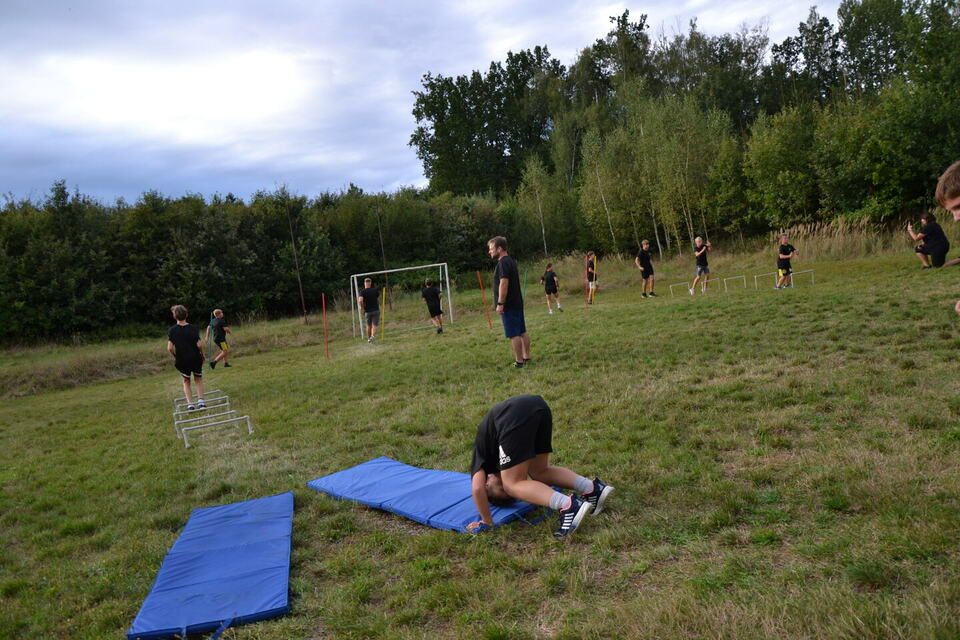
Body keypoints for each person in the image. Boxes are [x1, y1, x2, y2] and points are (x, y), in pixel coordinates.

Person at [467, 395, 614, 538]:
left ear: (486, 484)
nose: (502, 485)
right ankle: (592, 488)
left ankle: (568, 505)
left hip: (512, 415)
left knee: (512, 484)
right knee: (540, 472)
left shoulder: (481, 459)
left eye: (500, 488)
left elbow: (477, 489)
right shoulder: (493, 455)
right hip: (537, 405)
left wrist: (487, 521)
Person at [488, 236, 530, 368]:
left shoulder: (502, 263)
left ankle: (519, 362)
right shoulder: (510, 261)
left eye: (491, 248)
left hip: (509, 305)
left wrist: (500, 303)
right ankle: (526, 357)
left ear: (499, 249)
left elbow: (504, 283)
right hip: (516, 302)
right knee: (522, 331)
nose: (489, 251)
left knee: (513, 334)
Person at [167, 305, 205, 411]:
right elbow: (199, 345)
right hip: (195, 357)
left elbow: (169, 348)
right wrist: (202, 354)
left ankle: (190, 404)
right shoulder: (193, 328)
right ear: (187, 315)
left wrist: (176, 356)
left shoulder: (172, 330)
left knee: (186, 381)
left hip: (182, 360)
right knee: (198, 379)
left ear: (174, 316)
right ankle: (201, 403)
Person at [358, 277, 380, 343]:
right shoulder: (375, 290)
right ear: (370, 283)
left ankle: (369, 339)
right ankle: (372, 336)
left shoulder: (362, 291)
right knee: (374, 325)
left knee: (368, 326)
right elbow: (378, 299)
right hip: (376, 310)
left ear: (364, 283)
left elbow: (360, 301)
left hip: (367, 311)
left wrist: (362, 307)